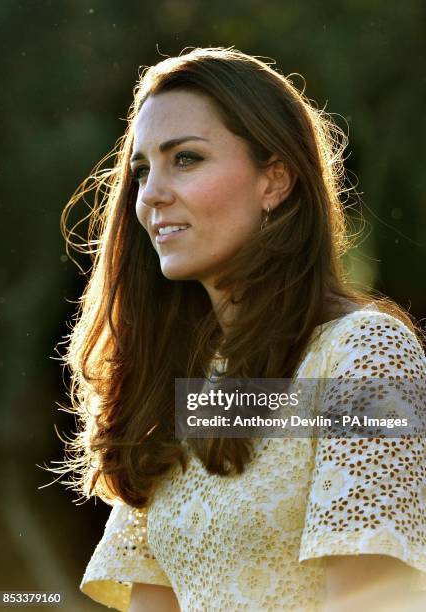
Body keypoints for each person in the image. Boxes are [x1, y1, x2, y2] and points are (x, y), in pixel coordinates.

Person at [57, 47, 426, 611]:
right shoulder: (184, 388)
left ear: (274, 181)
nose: (151, 192)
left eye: (185, 159)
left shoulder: (364, 354)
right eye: (141, 170)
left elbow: (378, 599)